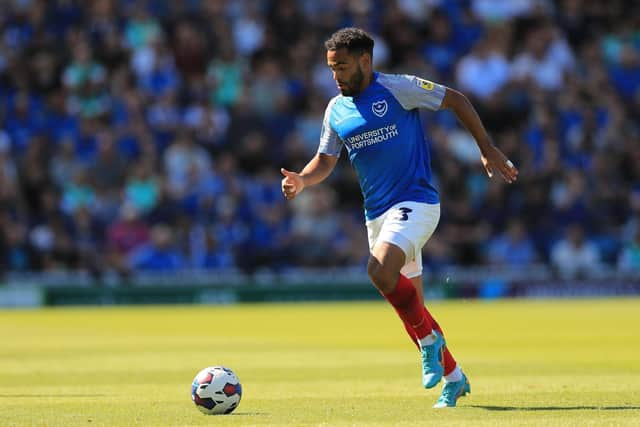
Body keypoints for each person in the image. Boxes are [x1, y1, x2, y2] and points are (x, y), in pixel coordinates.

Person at [280, 28, 518, 408]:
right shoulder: (335, 110)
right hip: (377, 216)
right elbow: (326, 160)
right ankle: (454, 378)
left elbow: (455, 99)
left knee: (378, 271)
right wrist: (303, 180)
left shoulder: (398, 88)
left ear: (364, 61)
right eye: (331, 69)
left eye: (341, 67)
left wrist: (486, 149)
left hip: (416, 202)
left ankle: (430, 342)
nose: (336, 75)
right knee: (412, 310)